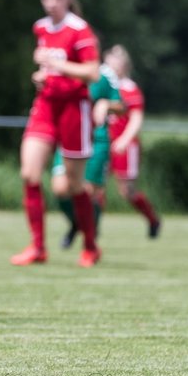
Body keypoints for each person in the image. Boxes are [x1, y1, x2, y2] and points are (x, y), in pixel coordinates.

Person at [10, 0, 102, 268]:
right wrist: (41, 76)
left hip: (74, 110)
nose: (50, 4)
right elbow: (47, 68)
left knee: (74, 185)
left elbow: (92, 72)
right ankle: (38, 247)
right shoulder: (41, 28)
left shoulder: (80, 30)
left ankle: (90, 246)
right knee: (29, 174)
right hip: (46, 105)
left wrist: (58, 65)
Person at [53, 58, 122, 249]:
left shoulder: (105, 77)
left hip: (95, 139)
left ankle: (90, 237)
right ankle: (77, 223)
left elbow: (122, 106)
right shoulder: (64, 71)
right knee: (60, 188)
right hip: (69, 134)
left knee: (89, 191)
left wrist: (106, 104)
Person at [104, 44, 162, 238]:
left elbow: (136, 119)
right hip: (103, 142)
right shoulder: (103, 85)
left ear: (125, 66)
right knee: (93, 187)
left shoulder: (130, 89)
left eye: (117, 62)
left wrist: (124, 140)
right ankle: (91, 230)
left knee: (127, 191)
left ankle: (152, 219)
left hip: (125, 146)